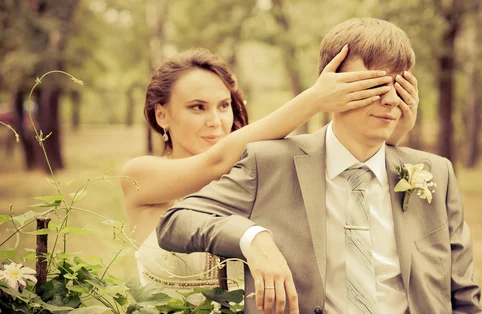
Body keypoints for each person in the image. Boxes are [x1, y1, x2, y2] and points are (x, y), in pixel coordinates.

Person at [156, 18, 482, 314]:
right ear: (331, 86)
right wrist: (253, 238)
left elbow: (465, 300)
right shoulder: (272, 164)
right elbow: (176, 220)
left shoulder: (434, 173)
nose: (388, 99)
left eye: (398, 85)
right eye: (371, 84)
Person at [121, 46, 394, 288]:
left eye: (224, 105)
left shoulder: (251, 174)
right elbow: (215, 162)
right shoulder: (139, 175)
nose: (215, 120)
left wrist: (393, 127)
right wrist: (314, 100)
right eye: (197, 107)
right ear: (162, 114)